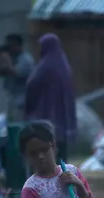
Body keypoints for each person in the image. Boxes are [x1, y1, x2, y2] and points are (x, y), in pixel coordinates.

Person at [24, 34, 77, 164]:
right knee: (60, 148)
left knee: (47, 144)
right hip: (62, 114)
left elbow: (31, 85)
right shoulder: (64, 65)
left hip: (46, 112)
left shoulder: (45, 65)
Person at [0, 34, 35, 121]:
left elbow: (15, 72)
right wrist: (0, 60)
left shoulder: (26, 59)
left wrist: (7, 59)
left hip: (23, 100)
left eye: (11, 45)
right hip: (12, 98)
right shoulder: (13, 58)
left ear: (17, 45)